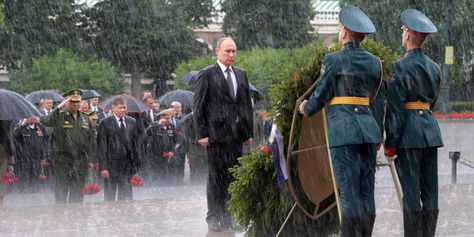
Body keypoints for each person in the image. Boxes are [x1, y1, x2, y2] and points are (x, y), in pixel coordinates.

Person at [298, 5, 383, 236]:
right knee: (366, 191)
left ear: (344, 32)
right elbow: (377, 100)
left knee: (348, 191)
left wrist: (306, 107)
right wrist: (379, 133)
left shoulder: (333, 59)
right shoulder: (375, 62)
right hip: (368, 131)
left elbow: (321, 94)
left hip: (344, 131)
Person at [384, 9, 443, 237]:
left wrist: (391, 144)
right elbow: (432, 101)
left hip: (408, 136)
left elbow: (396, 111)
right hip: (430, 133)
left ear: (407, 35)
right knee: (430, 193)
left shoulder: (398, 68)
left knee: (411, 194)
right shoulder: (435, 67)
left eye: (403, 32)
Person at [193, 37, 253, 231]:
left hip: (236, 136)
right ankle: (214, 215)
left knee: (234, 177)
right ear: (217, 51)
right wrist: (202, 133)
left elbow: (245, 106)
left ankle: (231, 215)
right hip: (215, 136)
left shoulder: (241, 75)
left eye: (234, 51)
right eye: (227, 51)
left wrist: (247, 132)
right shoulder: (207, 74)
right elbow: (198, 105)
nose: (231, 55)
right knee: (216, 177)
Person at [41, 89, 96, 203]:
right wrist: (59, 107)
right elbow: (46, 121)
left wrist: (91, 159)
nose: (76, 104)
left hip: (80, 162)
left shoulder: (85, 118)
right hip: (63, 162)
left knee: (77, 197)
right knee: (61, 196)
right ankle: (60, 220)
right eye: (72, 101)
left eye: (78, 101)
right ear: (67, 102)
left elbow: (91, 141)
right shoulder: (59, 116)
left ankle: (75, 220)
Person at [97, 97, 141, 201]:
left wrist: (136, 165)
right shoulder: (105, 122)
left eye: (124, 107)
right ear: (113, 108)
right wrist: (103, 167)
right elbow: (101, 145)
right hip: (111, 165)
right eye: (120, 107)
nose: (123, 110)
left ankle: (125, 216)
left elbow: (135, 144)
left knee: (126, 196)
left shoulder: (132, 121)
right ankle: (111, 215)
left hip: (127, 166)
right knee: (110, 196)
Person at [13, 117, 48, 192]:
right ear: (26, 118)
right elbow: (15, 135)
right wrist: (22, 125)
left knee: (36, 176)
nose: (32, 119)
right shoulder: (21, 127)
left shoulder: (39, 127)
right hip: (24, 157)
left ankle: (35, 192)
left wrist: (44, 156)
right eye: (30, 117)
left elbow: (45, 140)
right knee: (25, 177)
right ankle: (24, 193)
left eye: (34, 117)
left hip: (37, 157)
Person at [144, 109, 177, 184]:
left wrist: (172, 151)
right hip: (156, 155)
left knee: (168, 174)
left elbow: (174, 141)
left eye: (169, 118)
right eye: (166, 118)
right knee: (156, 174)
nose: (168, 120)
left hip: (168, 154)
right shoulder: (154, 126)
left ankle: (167, 187)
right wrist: (158, 124)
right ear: (161, 118)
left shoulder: (171, 127)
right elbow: (147, 133)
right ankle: (157, 187)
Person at [181, 112, 208, 183]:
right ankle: (194, 184)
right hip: (194, 147)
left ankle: (203, 183)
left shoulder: (205, 117)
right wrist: (192, 113)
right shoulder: (191, 119)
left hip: (204, 145)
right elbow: (182, 121)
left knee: (205, 167)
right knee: (194, 167)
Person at [171, 101, 188, 184]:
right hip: (171, 145)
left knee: (181, 163)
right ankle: (172, 180)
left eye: (178, 107)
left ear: (181, 108)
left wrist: (180, 142)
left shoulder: (185, 117)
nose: (177, 109)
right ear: (171, 108)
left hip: (182, 145)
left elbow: (186, 131)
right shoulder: (169, 118)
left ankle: (180, 180)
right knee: (172, 163)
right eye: (175, 107)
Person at [0, 120, 15, 207]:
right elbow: (9, 138)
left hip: (3, 152)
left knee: (2, 181)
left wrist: (10, 162)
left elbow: (8, 139)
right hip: (3, 151)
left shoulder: (4, 119)